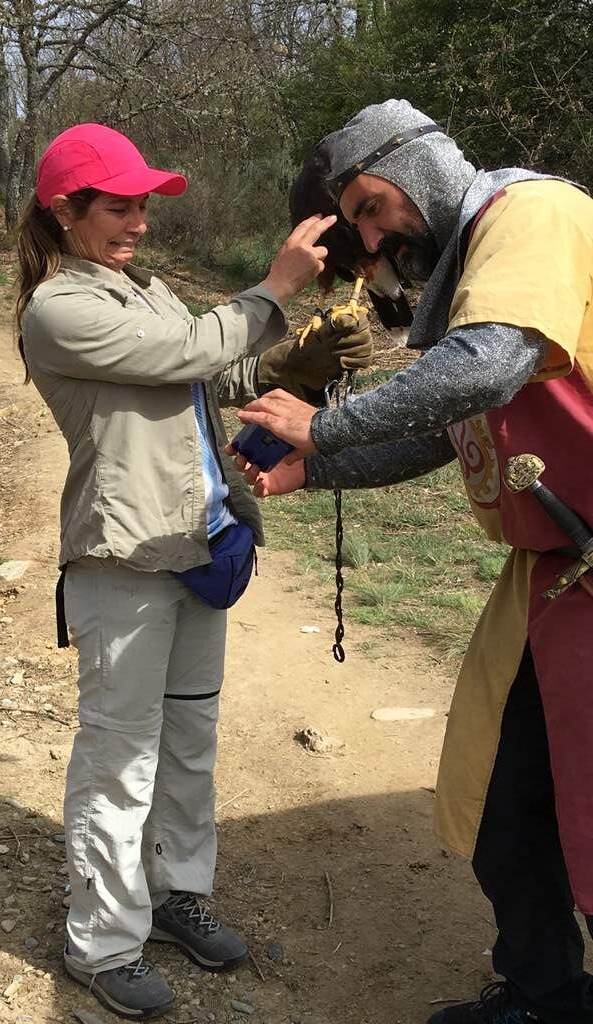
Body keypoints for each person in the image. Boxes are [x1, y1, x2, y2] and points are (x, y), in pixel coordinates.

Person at [231, 99, 593, 1024]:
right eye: (359, 219)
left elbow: (488, 365)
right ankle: (546, 994)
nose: (372, 232)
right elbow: (448, 427)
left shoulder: (533, 214)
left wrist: (327, 422)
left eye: (366, 204)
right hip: (553, 578)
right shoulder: (477, 282)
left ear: (420, 163)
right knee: (504, 801)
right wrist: (314, 470)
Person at [14, 122, 372, 1020]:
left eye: (142, 203)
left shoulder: (149, 292)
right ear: (67, 212)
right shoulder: (58, 310)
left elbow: (217, 369)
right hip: (124, 557)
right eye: (119, 204)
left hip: (197, 543)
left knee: (189, 741)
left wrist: (303, 356)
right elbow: (184, 355)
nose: (138, 220)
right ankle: (101, 942)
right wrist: (276, 283)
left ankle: (177, 894)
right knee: (120, 758)